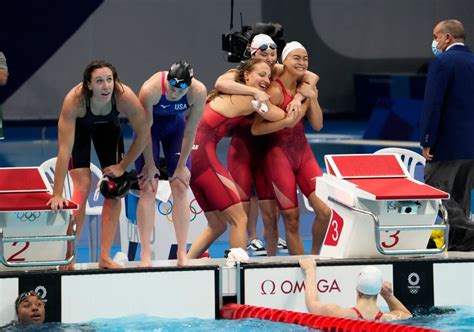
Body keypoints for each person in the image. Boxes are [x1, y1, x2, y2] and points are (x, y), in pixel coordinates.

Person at [215, 34, 318, 256]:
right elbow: (220, 83)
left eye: (273, 54)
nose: (270, 58)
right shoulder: (243, 73)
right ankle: (239, 259)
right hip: (243, 148)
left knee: (271, 216)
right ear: (252, 54)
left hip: (267, 150)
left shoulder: (278, 71)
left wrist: (300, 99)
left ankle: (271, 262)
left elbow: (311, 75)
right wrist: (254, 91)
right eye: (264, 53)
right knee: (241, 213)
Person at [47, 60, 150, 269]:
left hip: (108, 130)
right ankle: (70, 256)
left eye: (109, 80)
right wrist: (57, 193)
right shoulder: (74, 101)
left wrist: (122, 166)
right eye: (99, 81)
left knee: (115, 188)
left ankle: (104, 256)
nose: (106, 86)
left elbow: (144, 133)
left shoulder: (124, 96)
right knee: (82, 188)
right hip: (80, 128)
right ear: (89, 84)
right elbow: (64, 151)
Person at [187, 58, 292, 258]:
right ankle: (236, 272)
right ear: (246, 76)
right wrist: (296, 105)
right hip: (201, 157)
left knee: (217, 225)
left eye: (269, 77)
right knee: (239, 219)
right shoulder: (250, 100)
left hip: (190, 158)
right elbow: (278, 115)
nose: (267, 80)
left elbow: (223, 80)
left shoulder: (232, 89)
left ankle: (184, 265)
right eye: (261, 75)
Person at [252, 42, 331, 255]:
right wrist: (286, 122)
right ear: (284, 61)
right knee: (292, 220)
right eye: (296, 58)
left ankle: (315, 258)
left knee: (325, 212)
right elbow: (256, 129)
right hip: (278, 158)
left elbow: (318, 125)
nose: (302, 62)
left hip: (303, 155)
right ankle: (302, 266)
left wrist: (310, 97)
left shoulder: (304, 87)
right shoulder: (275, 91)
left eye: (305, 58)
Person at [135, 61, 207, 267]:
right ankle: (145, 253)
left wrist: (181, 165)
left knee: (180, 186)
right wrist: (150, 164)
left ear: (189, 86)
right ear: (167, 81)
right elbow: (145, 131)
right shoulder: (151, 90)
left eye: (179, 90)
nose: (174, 94)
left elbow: (191, 131)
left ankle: (182, 252)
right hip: (149, 131)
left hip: (176, 130)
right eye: (172, 88)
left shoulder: (198, 92)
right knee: (148, 187)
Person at [421, 19, 474, 251]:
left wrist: (427, 140)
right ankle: (458, 243)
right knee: (460, 195)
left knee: (434, 190)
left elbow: (433, 105)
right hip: (471, 145)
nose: (434, 42)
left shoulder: (443, 62)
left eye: (435, 36)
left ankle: (469, 232)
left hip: (446, 143)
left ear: (447, 38)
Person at [299, 258, 412, 321]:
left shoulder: (337, 313)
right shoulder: (388, 318)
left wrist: (310, 271)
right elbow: (406, 314)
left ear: (357, 289)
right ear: (379, 290)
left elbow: (311, 304)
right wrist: (388, 295)